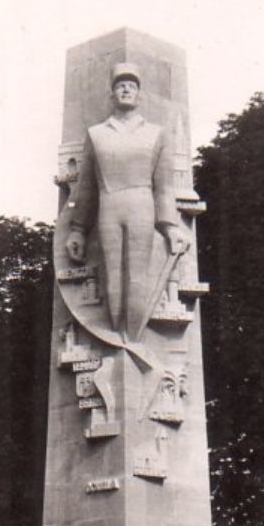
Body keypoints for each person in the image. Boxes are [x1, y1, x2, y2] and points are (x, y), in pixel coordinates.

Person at [63, 63, 189, 333]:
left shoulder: (156, 133)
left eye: (132, 86)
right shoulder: (97, 134)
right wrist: (77, 230)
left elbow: (164, 186)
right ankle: (117, 338)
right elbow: (85, 187)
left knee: (137, 278)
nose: (126, 90)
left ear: (140, 95)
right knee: (112, 277)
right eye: (121, 85)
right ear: (112, 94)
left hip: (142, 204)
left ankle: (132, 338)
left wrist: (170, 227)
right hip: (109, 205)